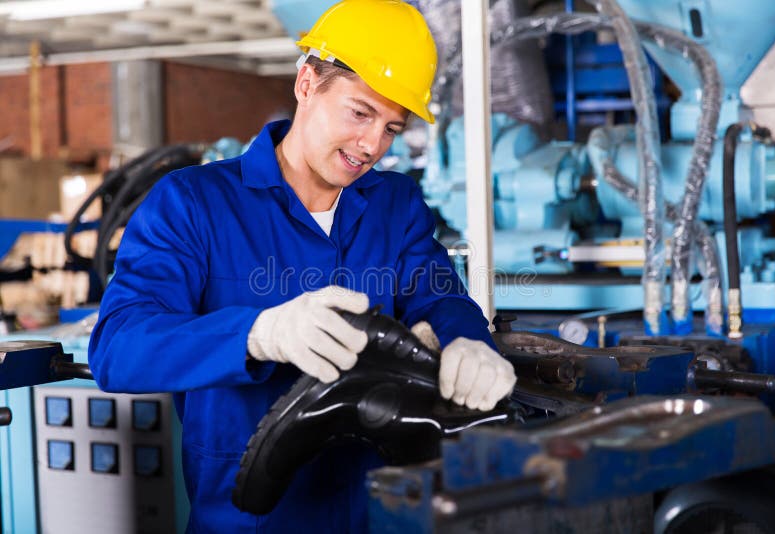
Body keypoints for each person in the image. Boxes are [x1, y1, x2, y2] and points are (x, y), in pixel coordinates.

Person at [89, 0, 517, 531]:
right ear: (307, 83)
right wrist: (257, 333)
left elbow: (440, 297)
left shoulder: (395, 204)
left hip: (379, 513)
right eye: (360, 113)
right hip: (248, 518)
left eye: (391, 127)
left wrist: (469, 340)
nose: (371, 146)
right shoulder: (193, 203)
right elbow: (118, 348)